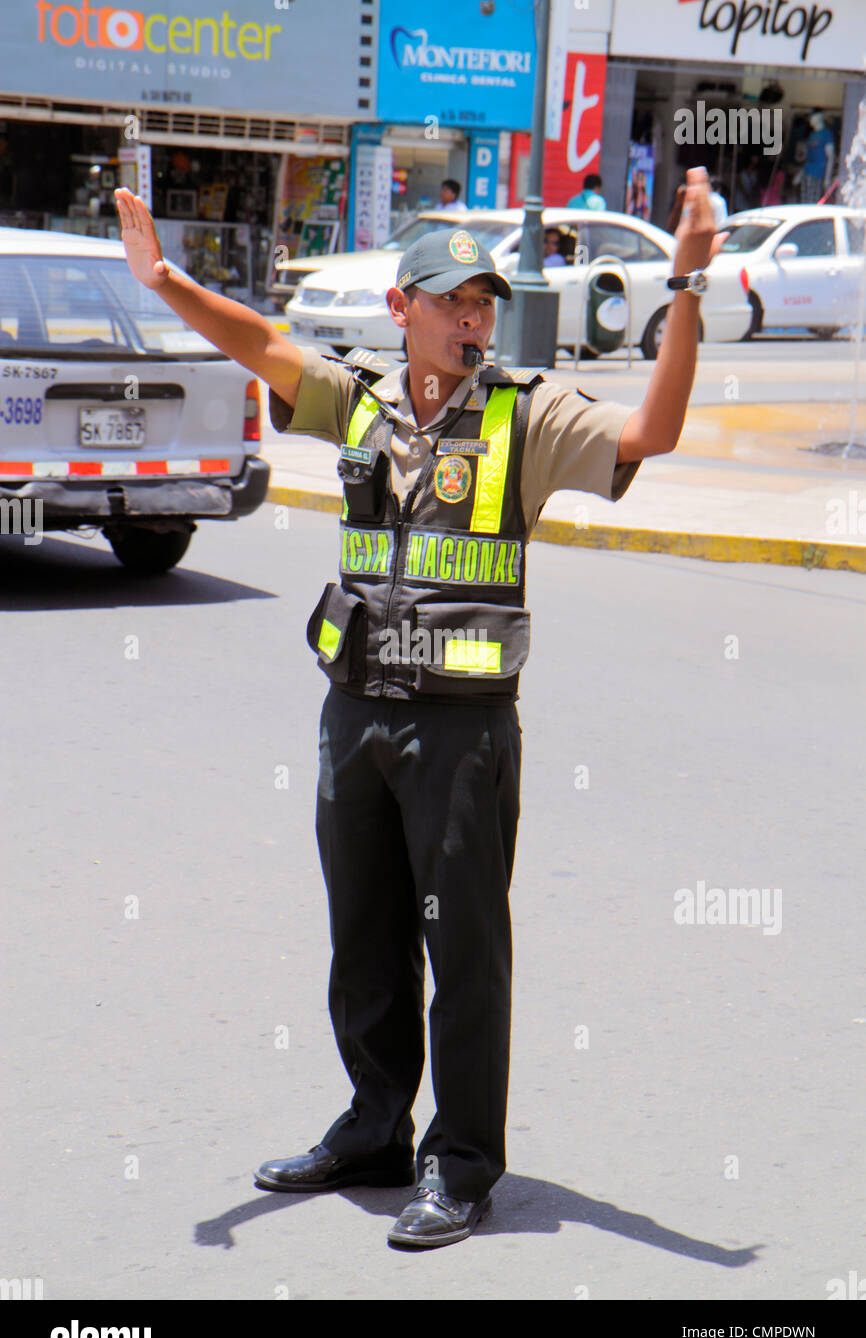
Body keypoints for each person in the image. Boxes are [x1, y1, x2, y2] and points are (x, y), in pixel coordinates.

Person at [114, 166, 726, 1251]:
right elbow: (258, 339)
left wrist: (682, 286)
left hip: (459, 731)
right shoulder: (358, 401)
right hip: (355, 717)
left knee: (465, 951)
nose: (471, 316)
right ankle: (371, 1127)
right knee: (366, 939)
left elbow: (655, 432)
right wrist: (163, 278)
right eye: (451, 299)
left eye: (483, 299)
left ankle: (459, 1162)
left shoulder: (527, 415)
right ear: (401, 310)